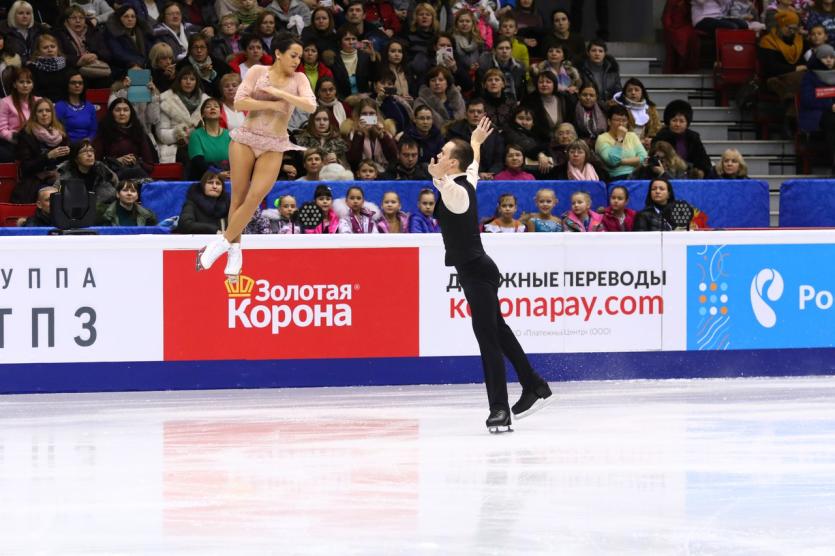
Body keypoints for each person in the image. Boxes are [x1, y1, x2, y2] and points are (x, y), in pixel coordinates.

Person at [427, 116, 553, 432]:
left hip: (477, 272)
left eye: (443, 154)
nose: (438, 157)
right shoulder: (466, 177)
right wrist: (476, 142)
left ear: (452, 162)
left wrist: (439, 179)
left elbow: (450, 189)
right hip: (477, 271)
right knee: (498, 331)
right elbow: (473, 163)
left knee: (487, 339)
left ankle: (499, 408)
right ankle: (534, 385)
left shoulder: (455, 190)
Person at [197, 34, 316, 279]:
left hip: (274, 144)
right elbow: (239, 103)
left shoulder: (299, 79)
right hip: (246, 138)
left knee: (255, 197)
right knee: (238, 198)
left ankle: (221, 244)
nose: (296, 61)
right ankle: (235, 252)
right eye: (293, 55)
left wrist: (281, 94)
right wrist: (271, 104)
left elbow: (310, 106)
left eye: (299, 57)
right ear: (279, 54)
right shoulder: (257, 72)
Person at [13, 98, 70, 203]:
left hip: (58, 177)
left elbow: (65, 162)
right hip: (35, 181)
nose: (44, 114)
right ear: (35, 115)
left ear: (52, 114)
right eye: (40, 111)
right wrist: (48, 156)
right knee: (53, 195)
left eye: (48, 111)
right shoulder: (26, 134)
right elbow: (26, 167)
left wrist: (68, 153)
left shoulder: (60, 132)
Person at [92, 97, 156, 178]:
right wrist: (116, 161)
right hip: (112, 177)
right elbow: (95, 163)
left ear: (131, 113)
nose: (122, 113)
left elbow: (149, 165)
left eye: (126, 110)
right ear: (111, 113)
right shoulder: (103, 132)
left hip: (136, 176)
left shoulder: (139, 132)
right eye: (118, 110)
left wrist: (135, 161)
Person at [445, 97, 505, 179]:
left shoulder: (493, 132)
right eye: (472, 111)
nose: (475, 115)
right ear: (466, 114)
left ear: (484, 114)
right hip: (463, 177)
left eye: (479, 112)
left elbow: (499, 159)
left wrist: (490, 173)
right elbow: (455, 159)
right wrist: (478, 174)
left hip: (491, 177)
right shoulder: (455, 132)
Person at [652, 99, 712, 177]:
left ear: (687, 123)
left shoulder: (693, 137)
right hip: (666, 175)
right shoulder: (661, 136)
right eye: (674, 120)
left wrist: (700, 171)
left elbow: (703, 160)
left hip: (689, 175)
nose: (677, 124)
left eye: (681, 121)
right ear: (669, 121)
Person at [758, 10, 807, 101]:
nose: (792, 31)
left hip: (795, 76)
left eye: (795, 28)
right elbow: (770, 67)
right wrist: (795, 69)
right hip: (775, 76)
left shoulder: (799, 40)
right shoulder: (768, 41)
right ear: (780, 25)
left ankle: (792, 110)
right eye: (789, 27)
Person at [57, 139, 119, 205]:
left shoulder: (101, 169)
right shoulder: (66, 174)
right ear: (75, 158)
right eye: (84, 151)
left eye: (91, 151)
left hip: (101, 207)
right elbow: (56, 192)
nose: (90, 154)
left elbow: (115, 183)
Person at [342, 97, 398, 171]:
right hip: (361, 173)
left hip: (383, 172)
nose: (368, 117)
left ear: (376, 115)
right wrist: (359, 134)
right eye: (364, 114)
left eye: (371, 113)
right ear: (359, 116)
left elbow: (393, 157)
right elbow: (353, 160)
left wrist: (382, 136)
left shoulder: (385, 130)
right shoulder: (351, 132)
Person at [176, 33, 233, 98]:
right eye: (195, 47)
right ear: (190, 49)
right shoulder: (182, 66)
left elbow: (224, 88)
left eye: (202, 47)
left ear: (207, 49)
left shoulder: (219, 64)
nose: (199, 51)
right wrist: (203, 78)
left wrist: (212, 76)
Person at [188, 97, 232, 179]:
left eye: (216, 106)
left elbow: (236, 159)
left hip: (228, 177)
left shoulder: (229, 135)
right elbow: (198, 161)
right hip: (203, 179)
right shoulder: (196, 135)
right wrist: (217, 174)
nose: (212, 108)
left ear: (221, 113)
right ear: (203, 115)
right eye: (208, 107)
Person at [0, 66, 37, 162]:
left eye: (28, 82)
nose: (25, 85)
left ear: (32, 85)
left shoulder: (39, 101)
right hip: (13, 143)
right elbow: (2, 130)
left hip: (36, 141)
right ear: (14, 84)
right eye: (21, 82)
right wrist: (18, 139)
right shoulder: (5, 102)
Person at [612, 78, 661, 149]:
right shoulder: (619, 108)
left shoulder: (651, 109)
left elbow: (656, 129)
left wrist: (650, 140)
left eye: (636, 90)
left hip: (647, 147)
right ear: (624, 93)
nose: (633, 93)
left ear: (642, 92)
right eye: (629, 90)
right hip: (625, 146)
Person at [105, 5, 152, 78]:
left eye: (133, 16)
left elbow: (149, 51)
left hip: (143, 68)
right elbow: (118, 54)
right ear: (119, 18)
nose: (130, 19)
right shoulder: (113, 33)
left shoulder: (142, 31)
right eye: (126, 16)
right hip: (122, 71)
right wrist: (135, 63)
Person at [413, 65, 466, 131]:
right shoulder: (421, 102)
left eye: (441, 80)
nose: (437, 83)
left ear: (447, 83)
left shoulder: (458, 100)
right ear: (428, 84)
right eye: (433, 80)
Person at [573, 81, 607, 145]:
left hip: (602, 143)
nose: (588, 98)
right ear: (579, 95)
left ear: (596, 97)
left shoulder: (603, 108)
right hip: (580, 145)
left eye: (591, 95)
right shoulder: (573, 109)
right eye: (584, 95)